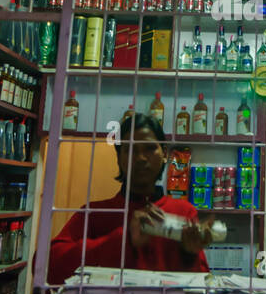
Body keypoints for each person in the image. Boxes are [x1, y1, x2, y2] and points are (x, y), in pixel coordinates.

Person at [48, 113, 215, 285]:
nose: (141, 158)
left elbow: (203, 288)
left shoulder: (184, 212)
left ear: (165, 153)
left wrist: (189, 254)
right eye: (130, 149)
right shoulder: (97, 213)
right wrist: (124, 238)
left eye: (150, 148)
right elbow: (47, 269)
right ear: (119, 158)